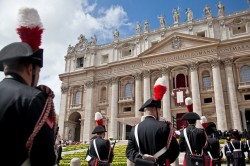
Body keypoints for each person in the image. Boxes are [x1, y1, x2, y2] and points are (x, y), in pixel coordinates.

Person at [0, 7, 56, 166]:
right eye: (38, 72)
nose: (38, 77)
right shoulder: (33, 98)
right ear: (30, 69)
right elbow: (44, 159)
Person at [126, 77, 180, 166]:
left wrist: (141, 157)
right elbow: (175, 151)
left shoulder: (134, 129)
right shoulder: (165, 127)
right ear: (154, 110)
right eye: (159, 110)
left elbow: (129, 151)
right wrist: (163, 160)